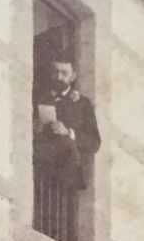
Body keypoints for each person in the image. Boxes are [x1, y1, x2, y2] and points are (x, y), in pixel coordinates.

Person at [33, 59, 101, 193]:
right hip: (40, 176)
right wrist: (35, 128)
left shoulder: (83, 103)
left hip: (68, 180)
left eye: (64, 73)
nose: (59, 77)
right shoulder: (38, 99)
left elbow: (94, 143)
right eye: (55, 72)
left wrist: (68, 132)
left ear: (73, 76)